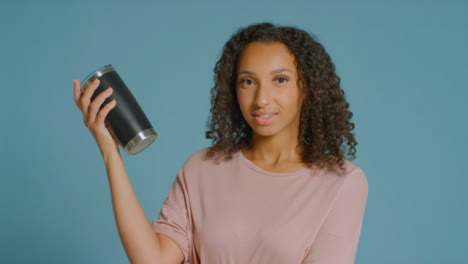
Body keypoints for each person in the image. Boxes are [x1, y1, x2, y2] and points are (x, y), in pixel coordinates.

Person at [73, 22, 368, 264]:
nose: (261, 99)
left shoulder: (342, 182)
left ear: (307, 88)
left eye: (280, 80)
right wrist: (110, 153)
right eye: (247, 81)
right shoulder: (201, 168)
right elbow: (153, 260)